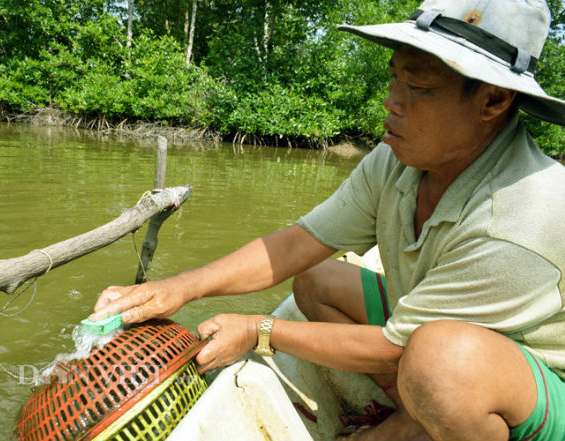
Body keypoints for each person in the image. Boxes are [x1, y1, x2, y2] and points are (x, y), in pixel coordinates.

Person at [90, 0, 565, 440]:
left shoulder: (522, 215)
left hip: (534, 380)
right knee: (316, 279)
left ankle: (420, 422)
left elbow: (400, 348)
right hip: (431, 336)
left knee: (441, 362)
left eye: (417, 86)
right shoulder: (398, 159)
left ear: (493, 102)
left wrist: (260, 331)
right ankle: (413, 415)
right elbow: (300, 243)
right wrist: (181, 287)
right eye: (394, 77)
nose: (391, 101)